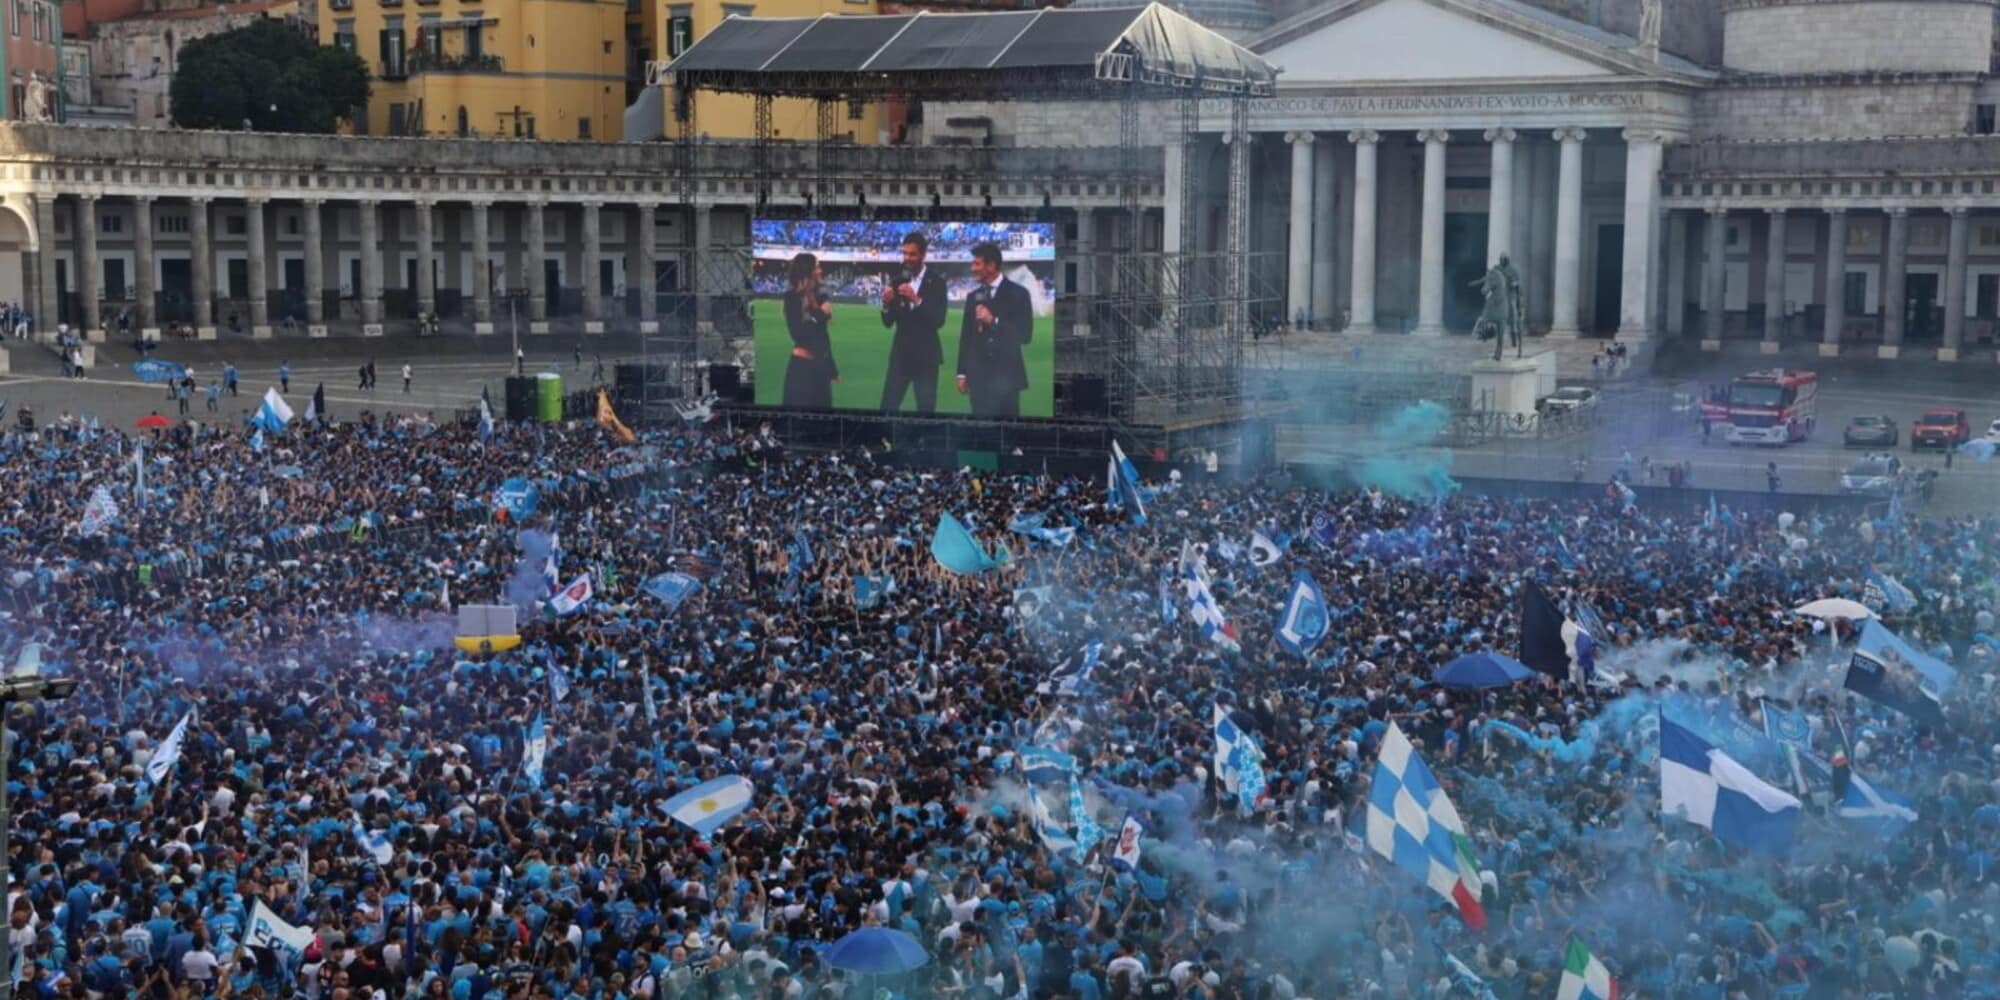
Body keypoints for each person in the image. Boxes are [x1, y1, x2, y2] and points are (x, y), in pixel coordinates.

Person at [954, 242, 1033, 417]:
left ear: (991, 265)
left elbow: (1025, 335)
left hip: (1007, 377)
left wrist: (993, 321)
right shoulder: (973, 297)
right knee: (981, 428)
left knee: (1007, 429)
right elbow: (966, 337)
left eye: (977, 264)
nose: (972, 268)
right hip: (978, 378)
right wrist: (961, 373)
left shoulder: (1019, 294)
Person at [878, 231, 948, 414]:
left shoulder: (937, 282)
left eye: (912, 254)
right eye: (905, 253)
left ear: (923, 255)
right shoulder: (898, 281)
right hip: (900, 357)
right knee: (887, 407)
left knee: (925, 410)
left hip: (926, 358)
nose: (907, 258)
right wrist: (886, 304)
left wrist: (916, 299)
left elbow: (939, 320)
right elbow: (888, 322)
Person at [781, 252, 837, 408]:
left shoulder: (820, 297)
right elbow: (798, 334)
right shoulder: (792, 297)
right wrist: (820, 314)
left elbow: (822, 335)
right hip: (801, 369)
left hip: (821, 368)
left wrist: (832, 367)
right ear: (808, 270)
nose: (820, 271)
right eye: (817, 267)